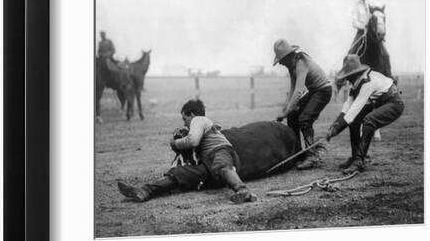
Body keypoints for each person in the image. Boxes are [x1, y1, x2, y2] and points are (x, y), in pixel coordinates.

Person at [117, 99, 258, 204]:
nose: (184, 123)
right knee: (180, 173)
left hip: (220, 152)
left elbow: (193, 141)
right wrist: (182, 134)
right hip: (210, 165)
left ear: (192, 115)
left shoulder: (199, 120)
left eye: (185, 119)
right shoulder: (201, 125)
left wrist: (176, 143)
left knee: (221, 166)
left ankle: (242, 190)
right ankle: (145, 191)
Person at [326, 55, 404, 174]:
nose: (348, 80)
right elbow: (347, 107)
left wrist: (337, 130)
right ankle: (354, 157)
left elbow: (353, 111)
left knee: (369, 120)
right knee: (355, 122)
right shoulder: (357, 83)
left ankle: (359, 161)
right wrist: (334, 126)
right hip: (379, 102)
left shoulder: (367, 83)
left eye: (349, 76)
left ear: (356, 74)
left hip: (394, 103)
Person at [273, 39, 332, 169]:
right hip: (314, 91)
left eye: (281, 59)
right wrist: (285, 111)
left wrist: (286, 111)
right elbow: (292, 89)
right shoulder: (291, 66)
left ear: (288, 56)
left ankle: (312, 156)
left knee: (305, 119)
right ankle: (298, 154)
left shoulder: (301, 63)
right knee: (293, 116)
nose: (281, 63)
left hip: (323, 90)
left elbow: (299, 91)